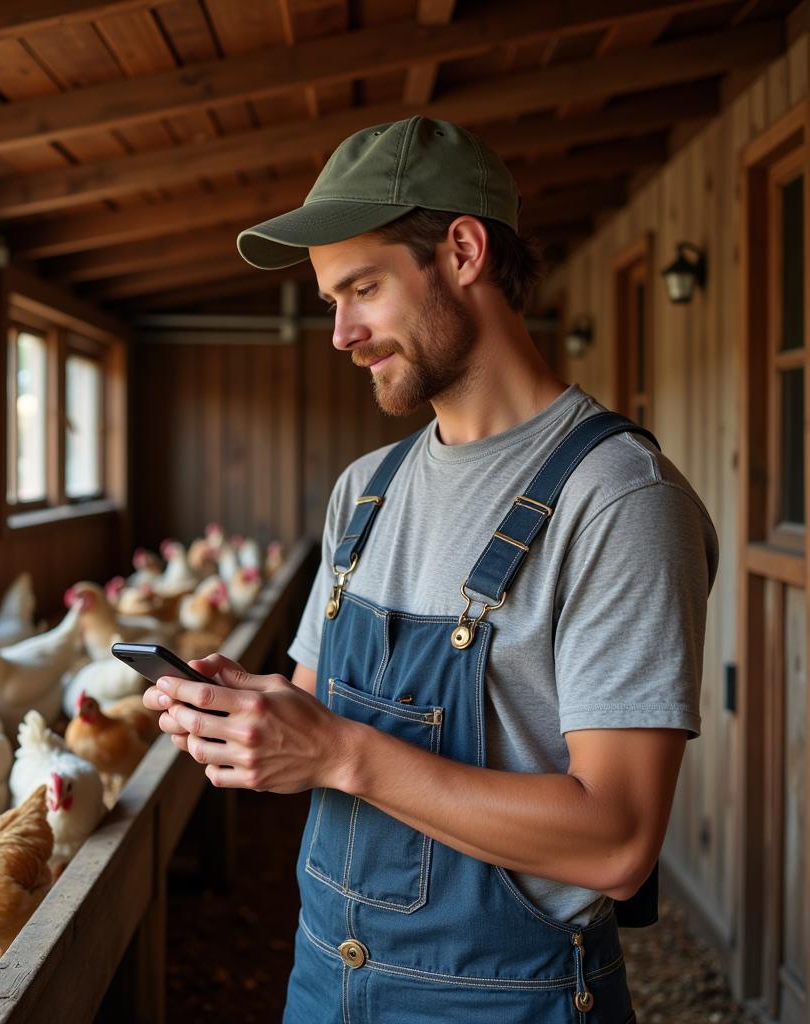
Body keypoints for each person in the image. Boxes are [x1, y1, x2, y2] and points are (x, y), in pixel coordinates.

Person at [142, 116, 718, 1023]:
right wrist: (252, 715)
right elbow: (319, 718)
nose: (339, 332)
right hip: (323, 975)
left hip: (507, 999)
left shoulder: (617, 500)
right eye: (332, 298)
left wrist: (338, 752)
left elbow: (617, 841)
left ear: (461, 250)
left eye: (362, 288)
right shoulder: (364, 491)